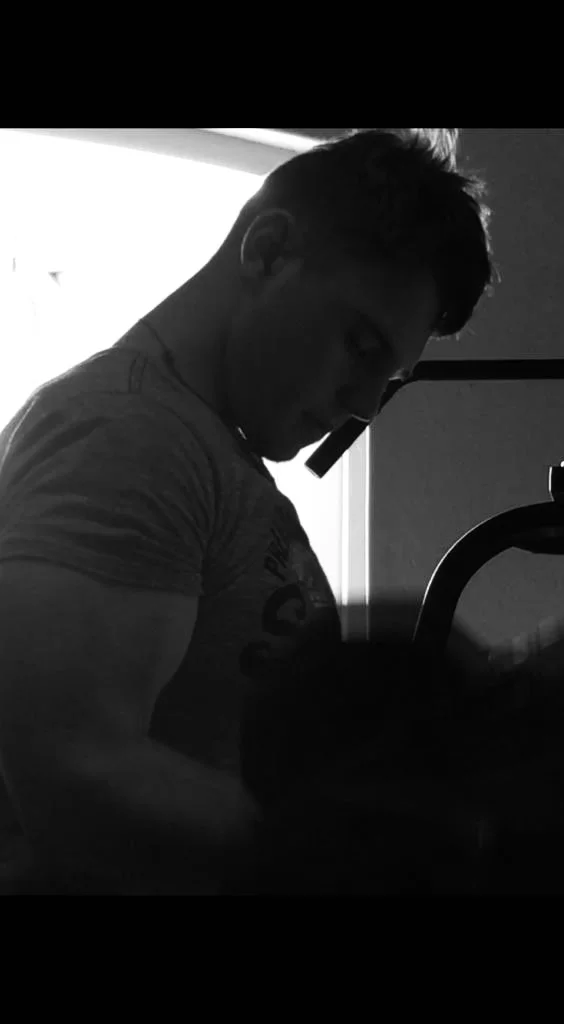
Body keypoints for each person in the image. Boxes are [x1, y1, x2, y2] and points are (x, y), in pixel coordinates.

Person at [0, 128, 494, 895]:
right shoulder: (131, 436)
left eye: (388, 378)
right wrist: (348, 857)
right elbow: (74, 772)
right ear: (267, 251)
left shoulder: (204, 449)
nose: (366, 405)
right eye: (361, 347)